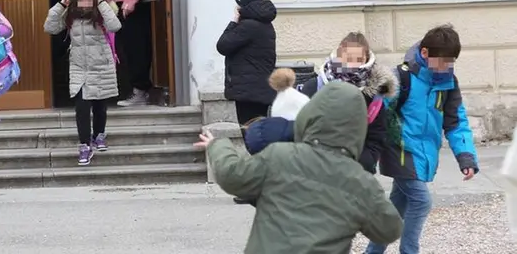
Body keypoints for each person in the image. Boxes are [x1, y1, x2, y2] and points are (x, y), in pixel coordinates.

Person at [197, 81, 403, 253]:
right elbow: (389, 229)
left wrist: (218, 145)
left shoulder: (279, 156)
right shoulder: (361, 183)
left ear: (310, 115)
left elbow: (232, 176)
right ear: (359, 128)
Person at [365, 24, 479, 254]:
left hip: (423, 154)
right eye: (442, 61)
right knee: (421, 201)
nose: (446, 67)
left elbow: (456, 122)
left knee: (398, 204)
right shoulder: (400, 78)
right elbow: (376, 115)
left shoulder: (448, 82)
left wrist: (466, 157)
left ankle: (372, 251)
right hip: (400, 151)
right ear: (425, 53)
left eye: (451, 62)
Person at [44, 0, 122, 165]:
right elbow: (50, 27)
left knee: (100, 106)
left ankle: (99, 135)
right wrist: (62, 4)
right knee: (81, 107)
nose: (84, 0)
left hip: (101, 66)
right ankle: (84, 145)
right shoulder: (70, 14)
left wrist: (101, 1)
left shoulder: (102, 11)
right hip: (79, 67)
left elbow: (115, 26)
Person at [298, 32, 395, 174]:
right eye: (347, 57)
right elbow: (298, 126)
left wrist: (365, 162)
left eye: (357, 59)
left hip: (355, 170)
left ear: (366, 59)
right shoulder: (314, 86)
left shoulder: (373, 92)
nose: (351, 64)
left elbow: (376, 134)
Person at [216, 0, 277, 131]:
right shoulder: (264, 23)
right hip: (257, 89)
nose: (237, 8)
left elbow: (222, 45)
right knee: (259, 134)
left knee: (251, 135)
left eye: (239, 4)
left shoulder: (248, 26)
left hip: (249, 92)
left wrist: (233, 22)